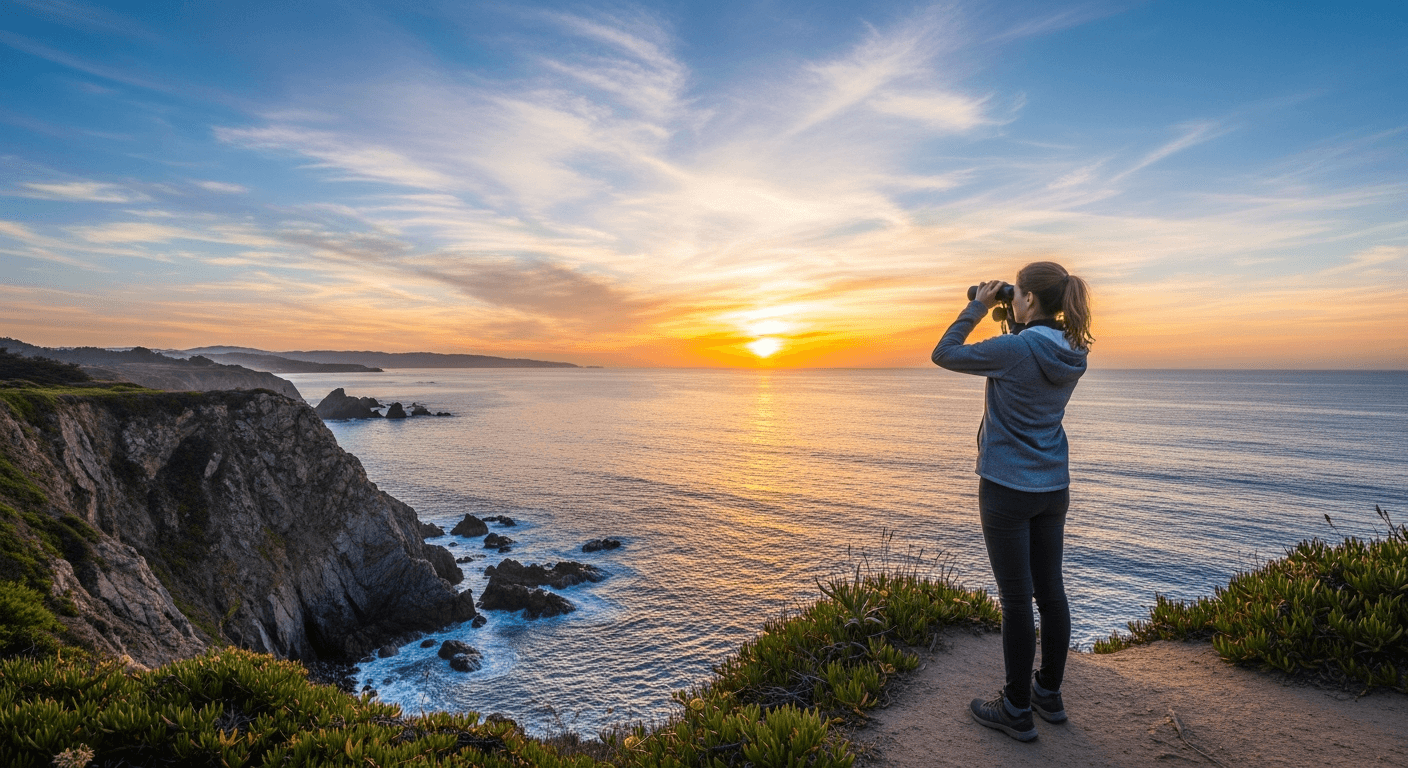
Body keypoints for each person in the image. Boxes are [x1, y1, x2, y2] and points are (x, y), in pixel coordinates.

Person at [930, 261, 1094, 742]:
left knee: (1016, 601)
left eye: (1016, 293)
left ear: (1029, 301)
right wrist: (1014, 317)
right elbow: (1030, 352)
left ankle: (1016, 708)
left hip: (1005, 488)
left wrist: (978, 305)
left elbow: (944, 353)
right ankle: (1048, 693)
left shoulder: (1014, 348)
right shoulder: (1073, 349)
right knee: (1052, 593)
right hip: (1052, 488)